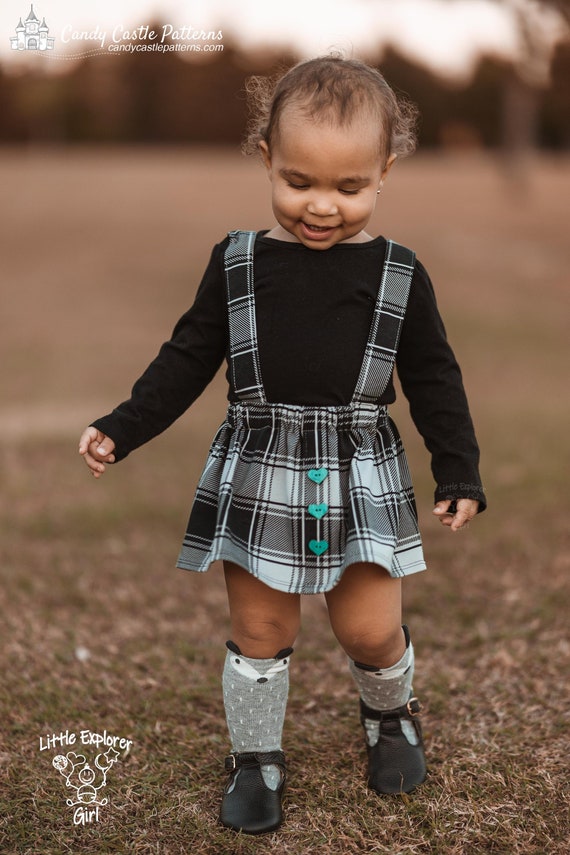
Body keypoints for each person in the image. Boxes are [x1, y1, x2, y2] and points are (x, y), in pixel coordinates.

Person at [79, 55, 486, 835]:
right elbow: (186, 358)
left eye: (349, 187)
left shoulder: (400, 274)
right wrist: (123, 426)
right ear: (267, 157)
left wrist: (459, 468)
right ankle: (256, 758)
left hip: (360, 470)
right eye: (299, 181)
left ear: (385, 171)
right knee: (263, 629)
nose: (322, 206)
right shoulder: (236, 262)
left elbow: (435, 377)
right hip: (261, 467)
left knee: (369, 629)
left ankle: (390, 715)